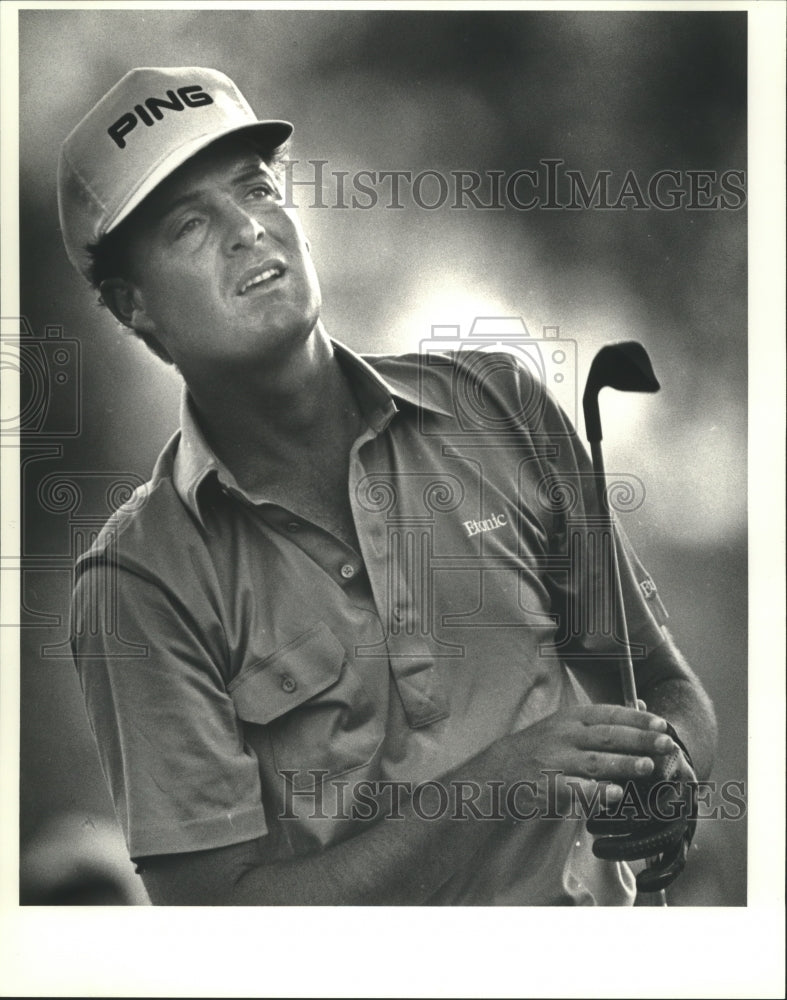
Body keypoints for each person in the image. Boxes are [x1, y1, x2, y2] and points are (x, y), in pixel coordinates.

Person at [59, 66, 717, 906]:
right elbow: (217, 923)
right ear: (134, 308)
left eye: (256, 190)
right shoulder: (137, 583)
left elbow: (664, 689)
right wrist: (500, 781)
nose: (247, 231)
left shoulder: (498, 406)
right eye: (190, 225)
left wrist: (668, 778)